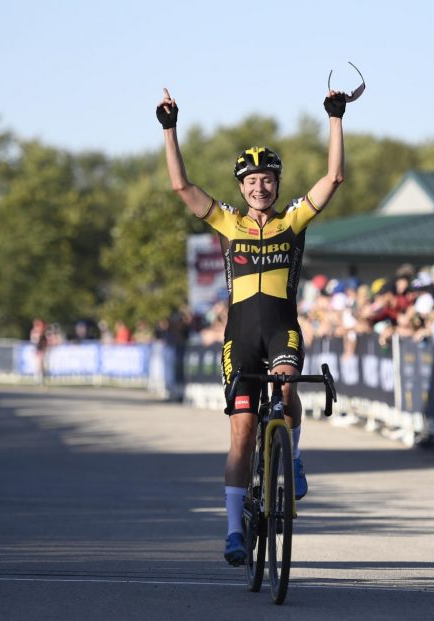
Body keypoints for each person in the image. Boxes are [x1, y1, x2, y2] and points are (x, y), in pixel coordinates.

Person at [158, 85, 349, 565]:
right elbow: (182, 188)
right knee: (242, 432)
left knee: (286, 389)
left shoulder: (293, 220)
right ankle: (231, 531)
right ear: (241, 188)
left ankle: (296, 456)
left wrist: (335, 118)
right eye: (251, 182)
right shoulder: (227, 223)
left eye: (267, 180)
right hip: (240, 334)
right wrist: (169, 128)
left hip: (281, 327)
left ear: (277, 185)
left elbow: (334, 176)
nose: (259, 188)